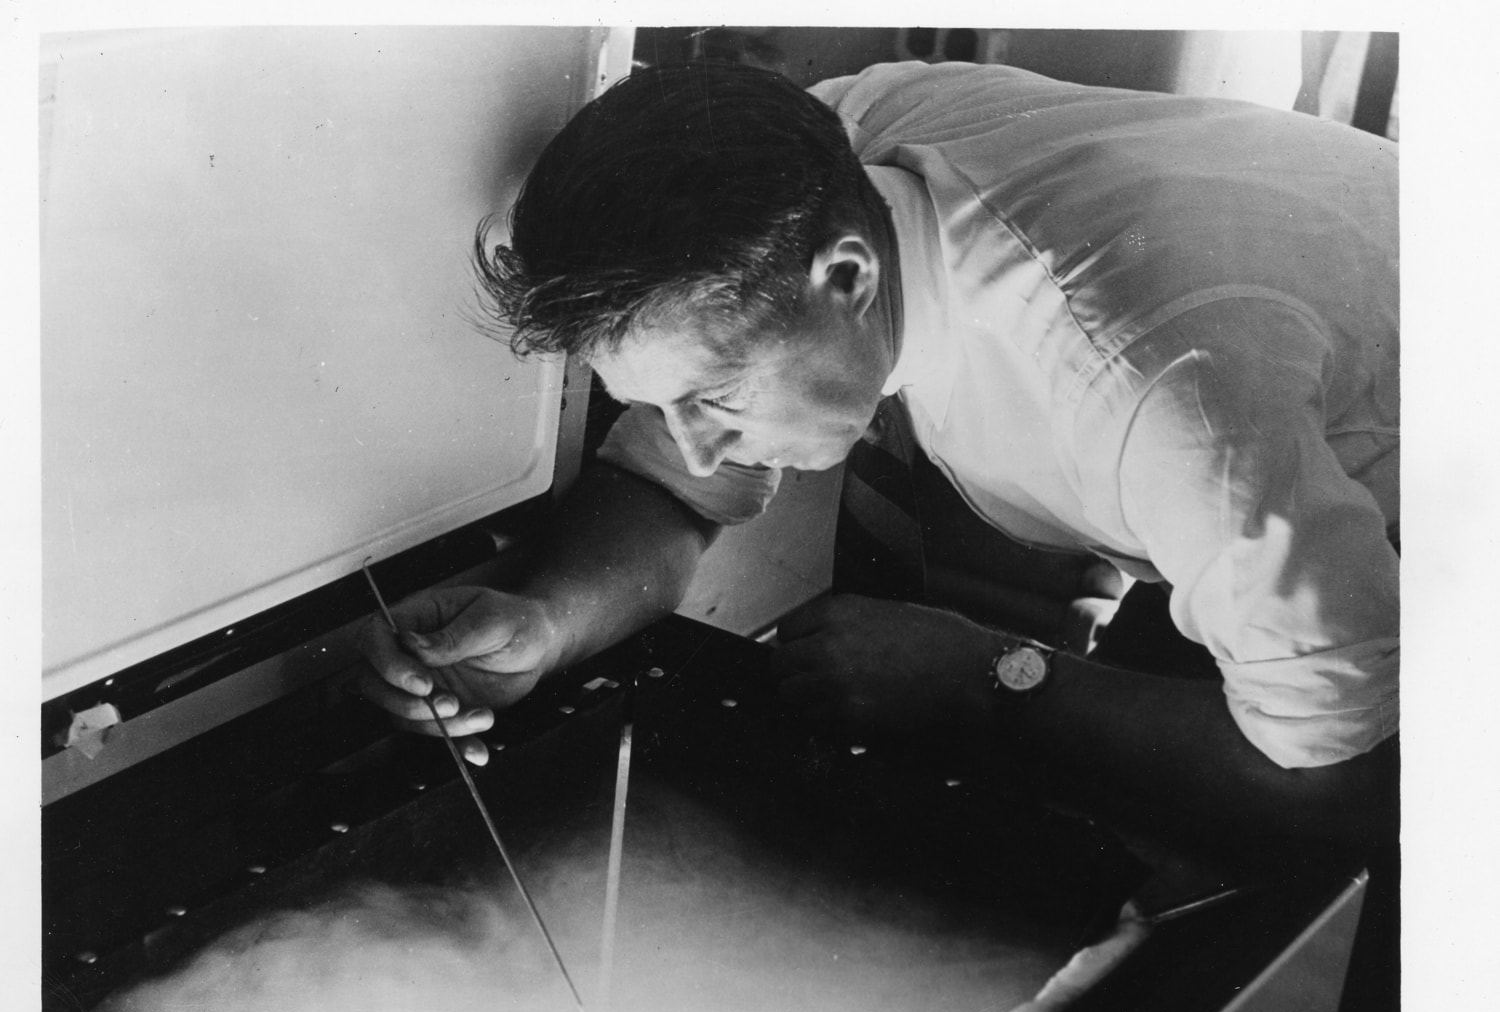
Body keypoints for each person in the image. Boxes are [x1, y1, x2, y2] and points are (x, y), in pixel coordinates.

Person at [359, 58, 1397, 867]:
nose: (693, 436)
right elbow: (675, 481)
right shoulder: (832, 150)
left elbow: (1339, 787)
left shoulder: (1151, 394)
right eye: (663, 403)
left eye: (715, 398)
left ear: (846, 275)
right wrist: (547, 623)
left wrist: (982, 675)